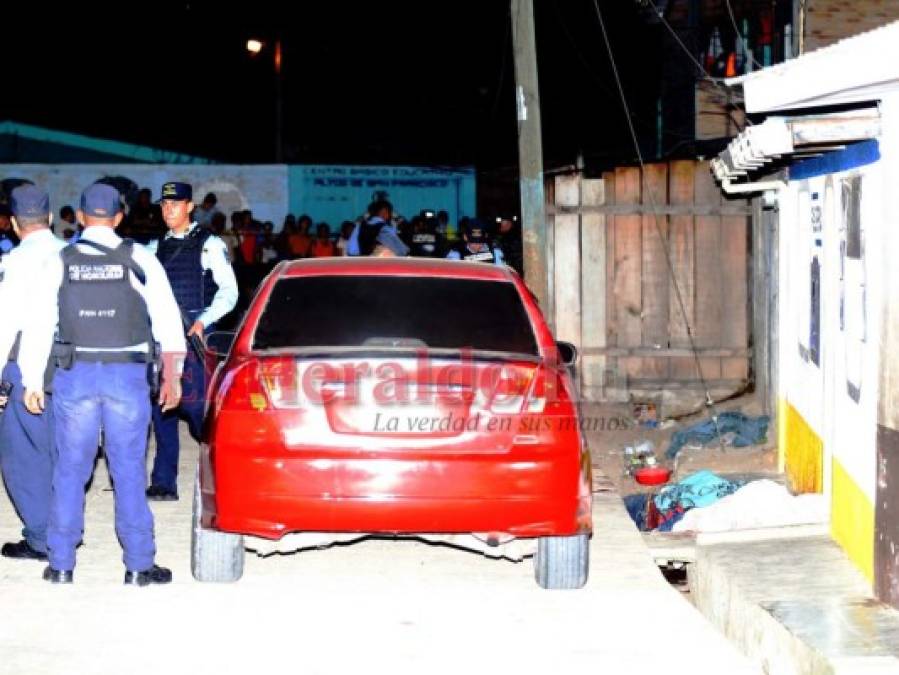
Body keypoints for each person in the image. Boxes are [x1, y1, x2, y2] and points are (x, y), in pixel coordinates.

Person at [20, 182, 186, 585]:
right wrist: (173, 376)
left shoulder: (60, 260)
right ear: (118, 217)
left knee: (70, 470)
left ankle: (60, 564)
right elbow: (168, 320)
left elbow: (39, 323)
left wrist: (31, 379)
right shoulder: (141, 258)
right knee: (128, 469)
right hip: (127, 377)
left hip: (75, 375)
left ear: (79, 217)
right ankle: (138, 564)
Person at [145, 181, 238, 501]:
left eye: (175, 203)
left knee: (199, 409)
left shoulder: (210, 244)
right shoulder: (153, 247)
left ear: (189, 207)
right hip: (162, 337)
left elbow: (229, 292)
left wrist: (204, 320)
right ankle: (164, 481)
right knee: (162, 406)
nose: (168, 209)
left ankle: (222, 473)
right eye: (164, 204)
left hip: (193, 336)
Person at [0, 185, 66, 563]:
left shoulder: (14, 262)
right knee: (63, 450)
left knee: (23, 453)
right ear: (52, 218)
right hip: (74, 363)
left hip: (27, 362)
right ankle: (66, 527)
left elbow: (6, 323)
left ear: (12, 223)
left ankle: (41, 538)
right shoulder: (71, 253)